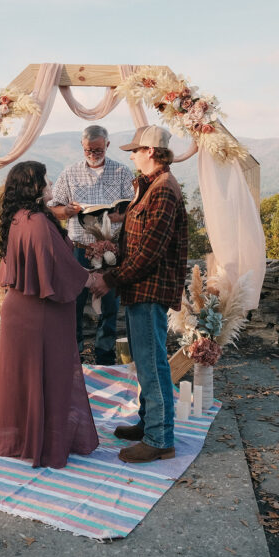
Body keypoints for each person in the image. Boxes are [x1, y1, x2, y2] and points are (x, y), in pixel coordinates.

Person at [0, 161, 101, 469]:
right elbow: (59, 267)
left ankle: (27, 440)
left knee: (27, 379)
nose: (50, 184)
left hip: (21, 309)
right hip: (41, 313)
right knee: (51, 374)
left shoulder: (19, 218)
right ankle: (46, 445)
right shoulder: (37, 221)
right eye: (45, 180)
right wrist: (92, 279)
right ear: (33, 187)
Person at [90, 125, 188, 464]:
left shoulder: (163, 191)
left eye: (136, 150)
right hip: (140, 289)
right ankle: (150, 425)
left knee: (152, 364)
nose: (131, 155)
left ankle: (160, 439)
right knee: (145, 363)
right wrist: (112, 248)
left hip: (148, 290)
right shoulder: (150, 187)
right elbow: (138, 242)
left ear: (151, 152)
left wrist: (110, 279)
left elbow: (149, 253)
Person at [48, 125, 135, 365]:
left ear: (107, 145)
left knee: (109, 306)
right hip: (79, 250)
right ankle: (73, 358)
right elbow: (53, 209)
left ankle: (104, 357)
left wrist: (120, 216)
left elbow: (134, 208)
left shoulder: (122, 172)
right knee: (73, 305)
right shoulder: (70, 173)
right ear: (82, 146)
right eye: (88, 149)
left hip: (112, 251)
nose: (93, 153)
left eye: (97, 149)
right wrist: (67, 210)